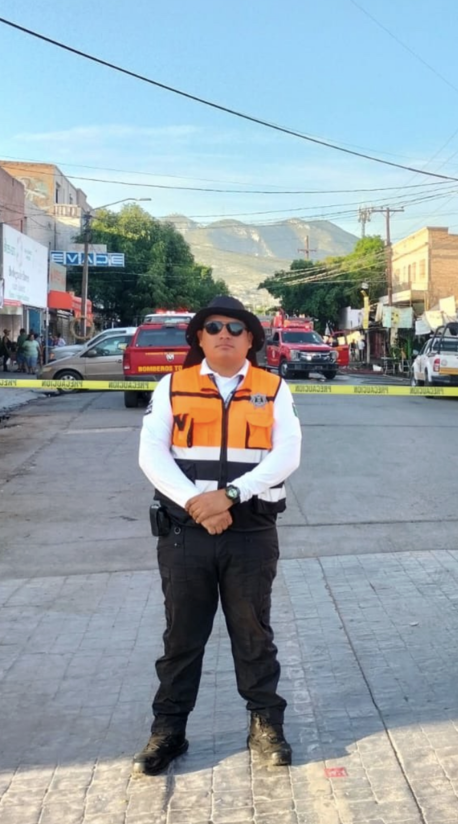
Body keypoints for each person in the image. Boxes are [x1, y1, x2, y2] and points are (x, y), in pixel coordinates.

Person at [134, 295, 302, 776]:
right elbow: (152, 455)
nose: (224, 333)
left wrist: (228, 496)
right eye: (213, 327)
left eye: (235, 327)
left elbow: (286, 454)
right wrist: (196, 504)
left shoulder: (274, 388)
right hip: (186, 532)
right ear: (199, 338)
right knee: (182, 636)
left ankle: (266, 725)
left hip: (250, 531)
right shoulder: (172, 385)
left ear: (251, 339)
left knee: (253, 633)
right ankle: (168, 730)